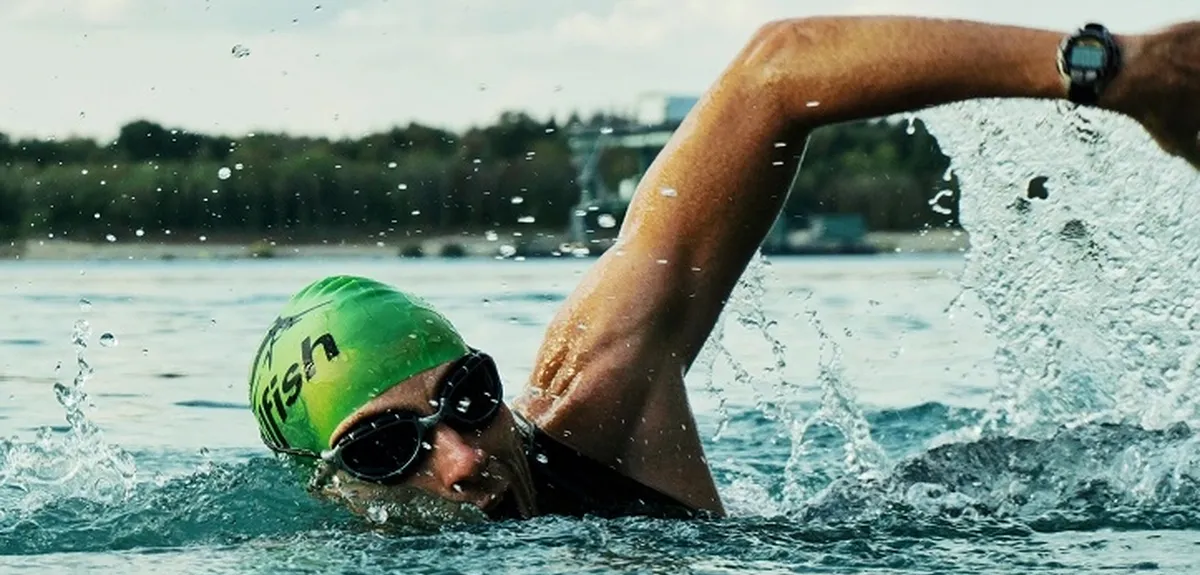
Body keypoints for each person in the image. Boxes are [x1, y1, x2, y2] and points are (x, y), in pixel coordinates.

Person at [248, 16, 1200, 521]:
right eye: (385, 450)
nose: (460, 459)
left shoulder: (593, 411)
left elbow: (775, 72)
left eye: (466, 395)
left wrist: (1113, 71)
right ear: (331, 489)